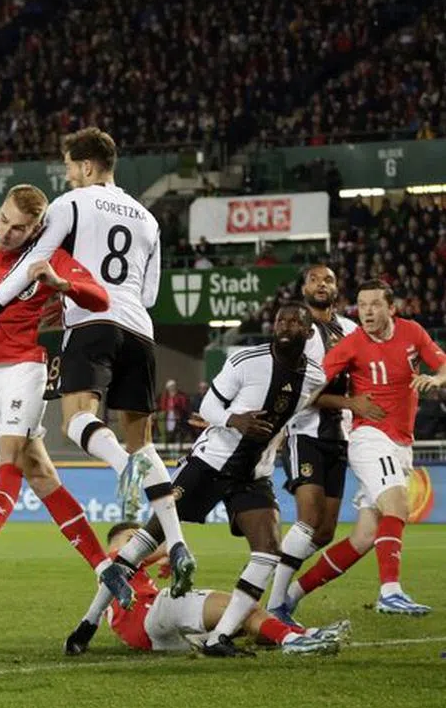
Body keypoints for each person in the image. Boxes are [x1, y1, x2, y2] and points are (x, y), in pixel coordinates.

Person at [0, 127, 195, 595]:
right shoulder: (148, 219)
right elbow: (148, 294)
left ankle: (120, 467)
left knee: (75, 420)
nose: (67, 176)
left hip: (92, 323)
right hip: (140, 333)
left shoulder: (72, 204)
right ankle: (179, 542)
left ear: (87, 167)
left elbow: (35, 262)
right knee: (143, 444)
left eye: (69, 167)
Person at [66, 303, 327, 657]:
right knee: (151, 535)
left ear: (309, 334)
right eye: (281, 319)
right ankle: (89, 620)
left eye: (296, 321)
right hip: (210, 462)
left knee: (267, 550)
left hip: (253, 474)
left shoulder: (313, 376)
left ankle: (220, 636)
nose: (286, 325)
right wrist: (236, 421)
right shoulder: (245, 361)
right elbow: (208, 408)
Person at [0, 184, 125, 594]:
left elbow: (100, 298)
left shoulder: (48, 258)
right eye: (4, 220)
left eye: (19, 229)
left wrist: (61, 283)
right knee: (39, 473)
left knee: (11, 452)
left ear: (36, 230)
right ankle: (104, 566)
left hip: (23, 365)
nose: (6, 233)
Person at [282, 280, 446, 617]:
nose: (368, 311)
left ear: (391, 309)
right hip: (369, 438)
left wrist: (436, 379)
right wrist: (349, 402)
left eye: (374, 304)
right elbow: (310, 390)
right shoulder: (352, 345)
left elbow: (442, 364)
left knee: (365, 535)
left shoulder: (412, 333)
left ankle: (291, 596)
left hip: (401, 443)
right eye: (362, 304)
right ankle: (390, 591)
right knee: (397, 506)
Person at [266, 265, 365, 620]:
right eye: (314, 280)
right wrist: (349, 402)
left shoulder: (353, 330)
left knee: (323, 532)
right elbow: (299, 394)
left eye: (328, 280)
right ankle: (274, 604)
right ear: (303, 287)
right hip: (304, 435)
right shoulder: (298, 331)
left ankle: (284, 589)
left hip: (339, 439)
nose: (321, 285)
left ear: (337, 288)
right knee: (308, 521)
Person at [90, 523, 345, 656]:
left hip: (148, 640)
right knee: (242, 606)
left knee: (241, 624)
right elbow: (165, 546)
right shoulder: (116, 556)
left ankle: (301, 636)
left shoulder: (108, 575)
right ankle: (296, 638)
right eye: (135, 539)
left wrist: (163, 558)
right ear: (127, 540)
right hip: (153, 613)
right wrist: (169, 551)